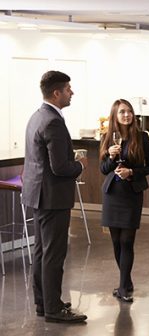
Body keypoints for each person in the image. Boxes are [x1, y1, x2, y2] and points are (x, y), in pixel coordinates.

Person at [22, 70, 88, 323]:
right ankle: (53, 308)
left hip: (38, 196)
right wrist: (80, 165)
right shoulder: (53, 122)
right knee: (53, 254)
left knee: (41, 252)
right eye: (69, 89)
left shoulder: (37, 116)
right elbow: (60, 167)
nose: (72, 93)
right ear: (57, 92)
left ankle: (44, 302)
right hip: (52, 197)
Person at [99, 99, 149, 303]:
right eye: (122, 112)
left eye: (129, 112)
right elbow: (103, 169)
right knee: (115, 241)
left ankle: (123, 287)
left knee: (127, 241)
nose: (126, 115)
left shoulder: (142, 137)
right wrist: (111, 157)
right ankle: (126, 281)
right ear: (115, 115)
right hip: (112, 193)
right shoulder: (107, 138)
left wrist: (131, 171)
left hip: (132, 193)